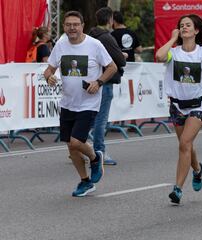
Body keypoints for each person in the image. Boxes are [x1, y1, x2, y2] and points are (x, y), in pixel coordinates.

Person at [43, 11, 118, 197]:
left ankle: (95, 157)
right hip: (68, 103)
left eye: (75, 24)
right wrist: (49, 77)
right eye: (68, 25)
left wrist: (98, 82)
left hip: (88, 103)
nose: (72, 28)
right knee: (71, 147)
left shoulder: (94, 45)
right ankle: (85, 182)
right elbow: (49, 69)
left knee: (77, 142)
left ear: (82, 25)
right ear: (64, 27)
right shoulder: (60, 45)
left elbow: (112, 67)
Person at [155, 14, 202, 204]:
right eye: (181, 25)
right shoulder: (174, 52)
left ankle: (177, 189)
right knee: (187, 145)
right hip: (177, 106)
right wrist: (172, 38)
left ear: (196, 30)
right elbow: (159, 56)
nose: (184, 27)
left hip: (198, 105)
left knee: (184, 144)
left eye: (188, 25)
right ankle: (198, 169)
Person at [89, 7, 127, 166]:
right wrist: (122, 55)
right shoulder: (106, 38)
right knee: (100, 120)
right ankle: (100, 152)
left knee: (88, 118)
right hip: (105, 82)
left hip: (91, 81)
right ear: (111, 20)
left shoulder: (89, 36)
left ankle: (82, 149)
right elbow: (120, 60)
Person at [112, 11, 142, 131]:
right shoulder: (132, 33)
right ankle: (133, 121)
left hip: (118, 67)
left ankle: (116, 121)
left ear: (113, 21)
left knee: (118, 93)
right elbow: (139, 49)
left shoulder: (112, 35)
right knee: (131, 93)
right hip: (132, 68)